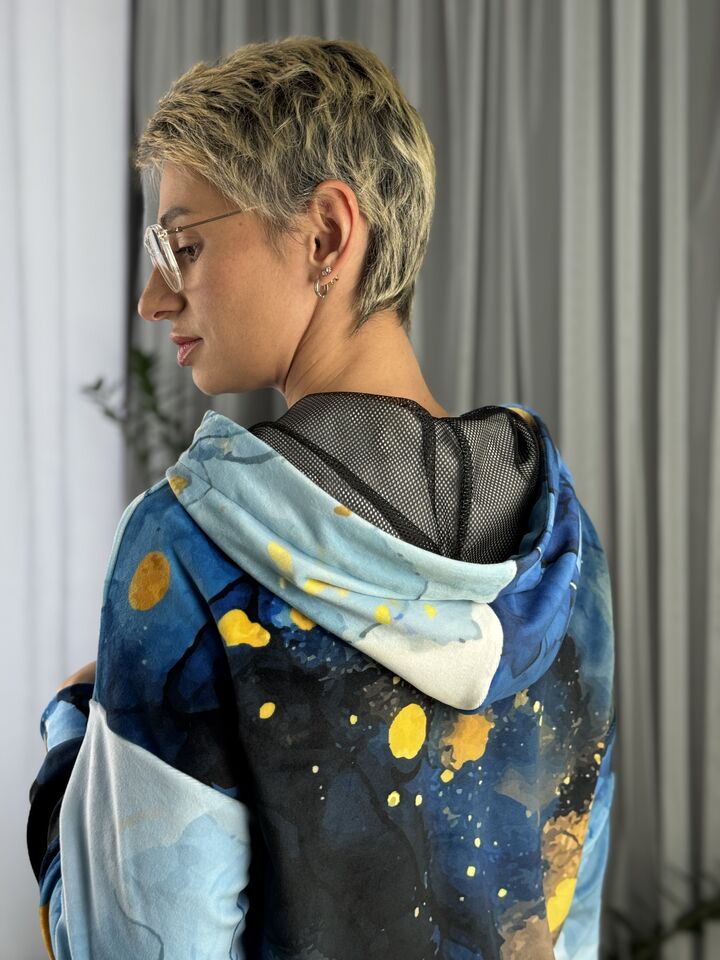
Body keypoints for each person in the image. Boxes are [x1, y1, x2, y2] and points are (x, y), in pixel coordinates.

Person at [27, 36, 617, 960]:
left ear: (328, 236)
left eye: (183, 246)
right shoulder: (563, 542)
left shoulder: (188, 553)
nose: (153, 298)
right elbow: (563, 919)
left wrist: (72, 735)